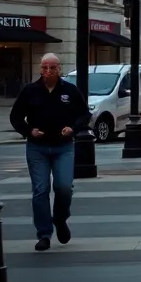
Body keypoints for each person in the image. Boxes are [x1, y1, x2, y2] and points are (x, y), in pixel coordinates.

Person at [9, 53, 89, 251]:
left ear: (59, 69)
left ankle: (60, 219)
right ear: (40, 69)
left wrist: (73, 128)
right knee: (41, 189)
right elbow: (16, 116)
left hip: (63, 146)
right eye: (45, 67)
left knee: (63, 187)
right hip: (38, 147)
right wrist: (28, 131)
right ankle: (44, 233)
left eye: (52, 67)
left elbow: (84, 114)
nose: (48, 71)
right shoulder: (30, 91)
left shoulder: (69, 91)